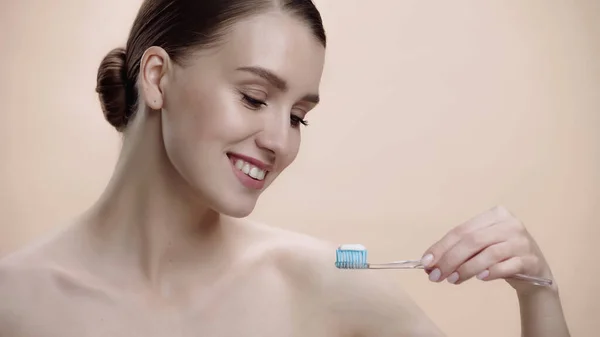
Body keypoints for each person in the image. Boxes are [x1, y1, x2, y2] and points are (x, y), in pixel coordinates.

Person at [0, 0, 570, 336]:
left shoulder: (318, 284)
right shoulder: (16, 303)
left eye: (299, 115)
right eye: (253, 97)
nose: (279, 140)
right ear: (156, 77)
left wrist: (537, 293)